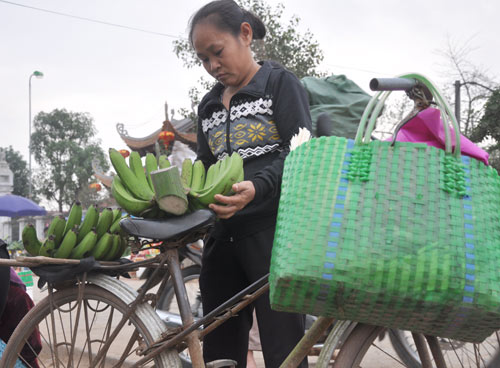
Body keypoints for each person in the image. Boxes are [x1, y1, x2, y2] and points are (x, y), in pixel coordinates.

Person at [189, 1, 312, 366]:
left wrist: (258, 187)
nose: (213, 66)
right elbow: (205, 164)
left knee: (284, 352)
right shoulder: (208, 106)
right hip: (221, 241)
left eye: (218, 52)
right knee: (220, 351)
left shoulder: (278, 84)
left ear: (244, 34)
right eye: (203, 59)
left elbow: (300, 150)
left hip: (273, 239)